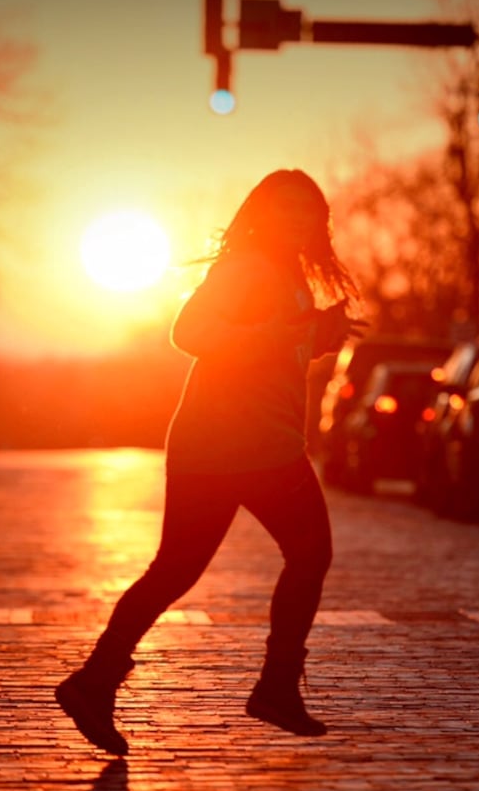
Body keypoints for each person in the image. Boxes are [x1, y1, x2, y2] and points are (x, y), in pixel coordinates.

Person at [55, 169, 365, 755]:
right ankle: (273, 689)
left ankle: (94, 682)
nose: (298, 221)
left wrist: (317, 334)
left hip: (234, 443)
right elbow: (191, 331)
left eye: (309, 212)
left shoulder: (283, 270)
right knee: (307, 553)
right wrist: (284, 332)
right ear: (263, 213)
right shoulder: (245, 267)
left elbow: (272, 342)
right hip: (242, 443)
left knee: (175, 571)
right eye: (287, 210)